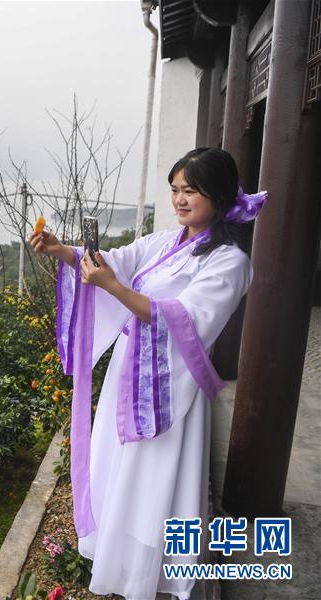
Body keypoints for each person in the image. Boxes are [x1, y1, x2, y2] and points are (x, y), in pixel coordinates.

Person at [29, 147, 268, 600]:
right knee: (120, 468)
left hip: (169, 382)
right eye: (175, 189)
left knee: (156, 478)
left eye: (190, 191)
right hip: (129, 370)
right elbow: (117, 261)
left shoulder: (229, 262)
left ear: (218, 195)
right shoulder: (165, 242)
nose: (179, 200)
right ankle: (118, 557)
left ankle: (152, 573)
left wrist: (114, 288)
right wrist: (63, 251)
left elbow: (188, 320)